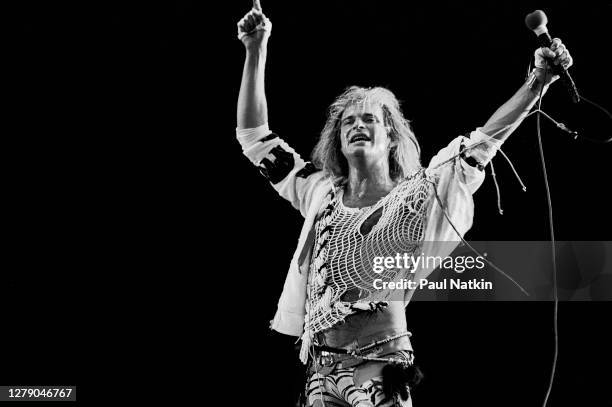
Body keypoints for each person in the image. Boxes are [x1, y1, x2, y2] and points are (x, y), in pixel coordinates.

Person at [235, 2, 573, 406]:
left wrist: (537, 83)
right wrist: (256, 50)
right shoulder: (319, 191)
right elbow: (255, 138)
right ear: (337, 139)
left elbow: (485, 140)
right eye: (348, 121)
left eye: (369, 120)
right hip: (320, 371)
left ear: (391, 137)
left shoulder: (417, 194)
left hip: (380, 365)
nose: (357, 125)